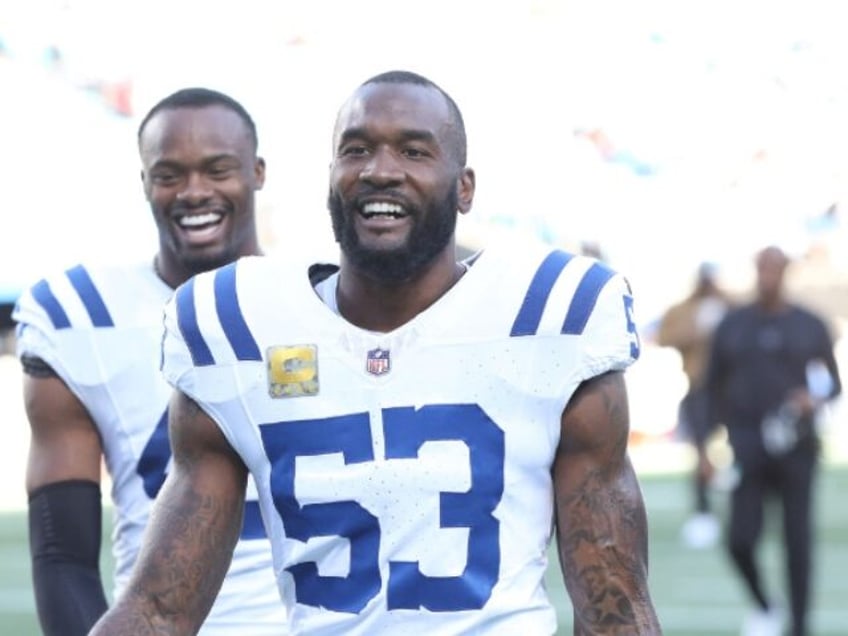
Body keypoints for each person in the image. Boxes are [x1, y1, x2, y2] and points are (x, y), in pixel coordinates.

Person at [91, 70, 662, 635]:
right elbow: (159, 610)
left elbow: (613, 605)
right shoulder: (238, 327)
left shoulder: (550, 316)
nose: (380, 170)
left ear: (464, 188)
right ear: (331, 177)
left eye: (414, 152)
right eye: (356, 149)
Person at [13, 87, 286, 635]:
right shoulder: (80, 316)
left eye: (217, 169)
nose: (194, 192)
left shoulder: (318, 301)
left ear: (256, 172)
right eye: (169, 175)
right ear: (144, 183)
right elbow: (62, 555)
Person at [703, 245, 842, 636]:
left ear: (785, 272)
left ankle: (800, 626)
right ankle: (765, 603)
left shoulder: (811, 324)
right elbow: (712, 388)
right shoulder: (733, 325)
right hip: (748, 443)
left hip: (798, 447)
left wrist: (812, 399)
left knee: (798, 542)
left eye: (775, 269)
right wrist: (705, 448)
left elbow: (832, 384)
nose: (768, 277)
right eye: (762, 269)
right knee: (740, 538)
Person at [656, 261, 732, 549]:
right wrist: (699, 330)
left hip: (732, 387)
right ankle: (703, 511)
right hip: (700, 386)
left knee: (744, 447)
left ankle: (745, 510)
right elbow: (666, 335)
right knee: (700, 450)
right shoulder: (685, 310)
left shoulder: (730, 306)